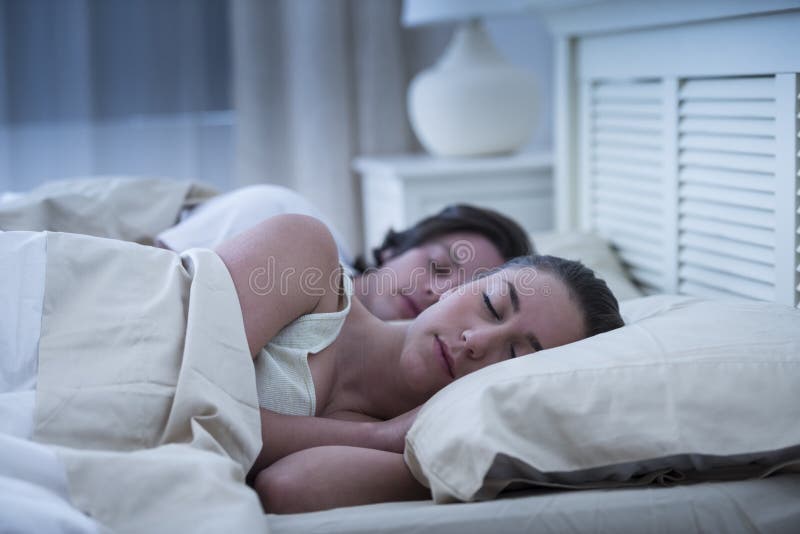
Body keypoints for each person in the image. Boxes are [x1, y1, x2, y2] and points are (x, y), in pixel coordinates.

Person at [214, 213, 625, 514]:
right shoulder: (308, 256)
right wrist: (383, 436)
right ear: (461, 286)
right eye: (490, 305)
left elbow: (286, 488)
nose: (476, 342)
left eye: (515, 356)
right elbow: (189, 393)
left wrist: (399, 443)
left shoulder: (402, 447)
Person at [156, 184, 533, 320]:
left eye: (463, 294)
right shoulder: (282, 217)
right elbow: (147, 276)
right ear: (394, 250)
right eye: (437, 266)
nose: (438, 292)